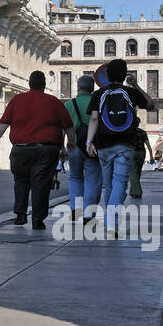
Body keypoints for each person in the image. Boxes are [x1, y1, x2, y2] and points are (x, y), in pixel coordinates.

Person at [0, 71, 72, 229]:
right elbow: (68, 125)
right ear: (44, 84)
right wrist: (71, 143)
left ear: (29, 83)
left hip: (20, 149)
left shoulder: (17, 100)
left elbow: (4, 122)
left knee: (20, 181)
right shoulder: (53, 101)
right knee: (41, 184)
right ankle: (37, 220)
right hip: (45, 150)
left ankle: (20, 216)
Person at [85, 59, 154, 237]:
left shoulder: (98, 94)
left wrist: (88, 142)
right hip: (125, 145)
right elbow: (150, 105)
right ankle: (112, 223)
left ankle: (111, 221)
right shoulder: (130, 93)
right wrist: (136, 85)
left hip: (103, 146)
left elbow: (93, 119)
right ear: (124, 75)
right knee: (119, 185)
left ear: (107, 75)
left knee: (109, 186)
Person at [65, 75, 101, 220]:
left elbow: (63, 128)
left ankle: (75, 208)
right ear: (92, 88)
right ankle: (89, 213)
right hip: (92, 146)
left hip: (73, 146)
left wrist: (62, 147)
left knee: (74, 177)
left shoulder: (68, 104)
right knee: (93, 179)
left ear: (78, 87)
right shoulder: (97, 103)